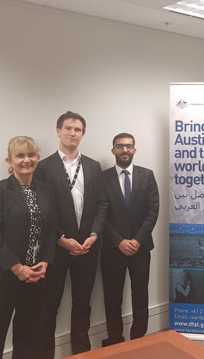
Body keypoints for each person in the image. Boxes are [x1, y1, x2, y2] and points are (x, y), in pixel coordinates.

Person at [35, 111, 106, 357]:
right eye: (68, 128)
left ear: (83, 134)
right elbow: (41, 211)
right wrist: (60, 239)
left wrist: (95, 234)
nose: (73, 133)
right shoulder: (43, 168)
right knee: (48, 307)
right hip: (56, 248)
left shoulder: (94, 166)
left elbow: (102, 204)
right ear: (58, 131)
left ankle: (81, 352)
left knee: (83, 305)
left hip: (87, 247)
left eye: (78, 130)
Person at [0, 136, 57, 359]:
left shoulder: (46, 189)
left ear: (38, 158)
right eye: (20, 155)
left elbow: (52, 229)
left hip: (35, 274)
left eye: (31, 155)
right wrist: (16, 267)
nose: (26, 160)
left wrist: (45, 261)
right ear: (9, 160)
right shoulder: (3, 190)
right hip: (6, 273)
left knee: (28, 332)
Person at [100, 132, 159, 346]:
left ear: (134, 150)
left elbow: (153, 211)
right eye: (120, 146)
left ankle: (138, 340)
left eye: (129, 146)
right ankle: (115, 339)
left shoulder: (147, 175)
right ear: (113, 150)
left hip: (140, 248)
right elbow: (100, 214)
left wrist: (137, 240)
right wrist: (119, 241)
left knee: (140, 295)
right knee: (112, 298)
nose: (125, 150)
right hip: (112, 249)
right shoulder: (102, 178)